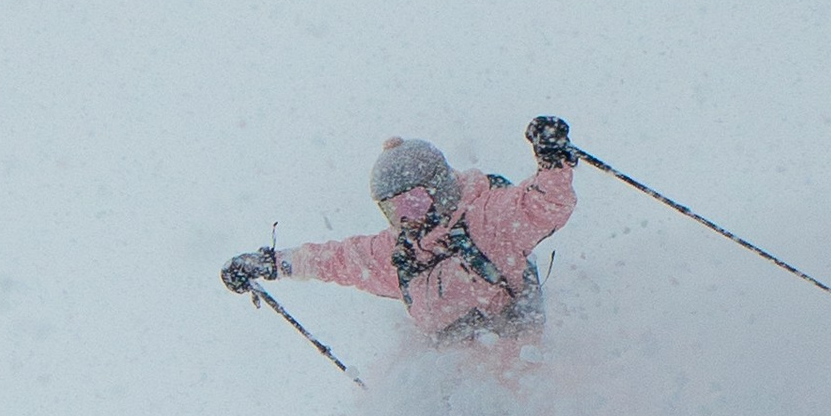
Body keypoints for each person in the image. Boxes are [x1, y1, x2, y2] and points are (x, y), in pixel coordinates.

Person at [223, 116, 580, 350]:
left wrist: (553, 161)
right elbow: (336, 260)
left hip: (517, 358)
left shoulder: (486, 219)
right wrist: (271, 264)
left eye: (414, 201)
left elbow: (543, 205)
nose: (407, 217)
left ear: (440, 188)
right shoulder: (400, 254)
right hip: (454, 373)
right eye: (394, 209)